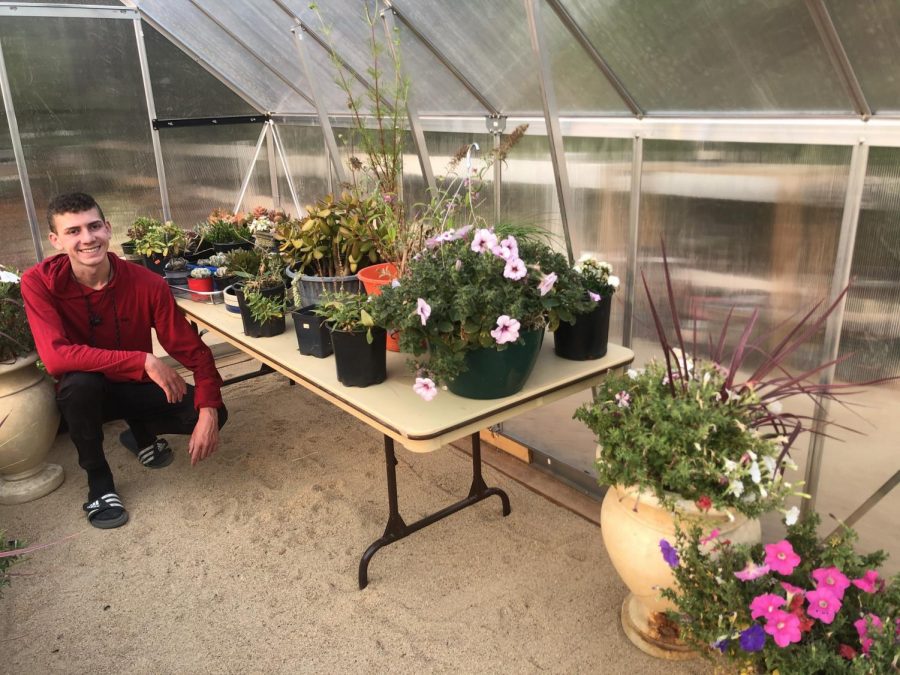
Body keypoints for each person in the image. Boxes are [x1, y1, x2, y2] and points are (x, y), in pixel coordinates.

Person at [21, 192, 227, 529]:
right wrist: (142, 360)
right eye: (73, 231)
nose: (87, 239)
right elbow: (56, 358)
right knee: (78, 384)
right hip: (84, 399)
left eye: (94, 226)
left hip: (133, 389)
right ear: (55, 240)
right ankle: (99, 480)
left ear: (108, 228)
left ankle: (140, 432)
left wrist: (208, 410)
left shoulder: (146, 283)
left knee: (214, 412)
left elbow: (193, 351)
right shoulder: (38, 283)